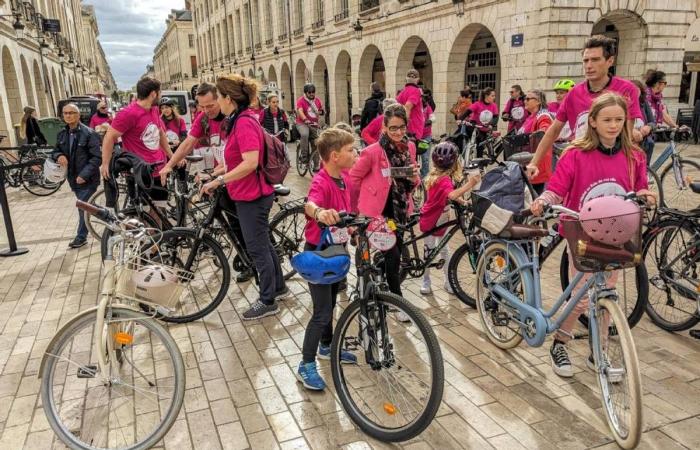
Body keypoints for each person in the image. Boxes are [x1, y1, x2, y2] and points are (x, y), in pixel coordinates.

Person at [529, 93, 655, 378]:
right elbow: (556, 188)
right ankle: (560, 342)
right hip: (582, 234)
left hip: (618, 234)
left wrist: (648, 195)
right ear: (593, 122)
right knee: (582, 296)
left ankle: (598, 353)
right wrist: (544, 201)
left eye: (618, 120)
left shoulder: (634, 156)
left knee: (607, 294)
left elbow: (641, 187)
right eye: (606, 120)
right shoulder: (576, 154)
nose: (613, 125)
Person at [201, 75, 289, 320]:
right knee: (265, 245)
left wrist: (219, 180)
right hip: (248, 193)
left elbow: (250, 163)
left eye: (218, 97)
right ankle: (279, 287)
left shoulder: (244, 123)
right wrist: (214, 172)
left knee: (258, 248)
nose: (217, 101)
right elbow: (236, 159)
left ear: (229, 98)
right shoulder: (238, 119)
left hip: (253, 195)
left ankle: (267, 300)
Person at [161, 82, 252, 283]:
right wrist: (170, 164)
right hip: (224, 176)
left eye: (210, 106)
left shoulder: (235, 118)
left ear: (220, 99)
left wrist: (215, 174)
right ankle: (247, 259)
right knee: (233, 222)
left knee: (248, 225)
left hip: (240, 176)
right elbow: (187, 144)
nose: (205, 111)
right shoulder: (203, 119)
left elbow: (246, 158)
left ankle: (258, 258)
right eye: (201, 107)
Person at [528, 35, 644, 178]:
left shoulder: (626, 90)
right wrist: (534, 162)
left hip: (614, 166)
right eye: (585, 60)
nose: (589, 65)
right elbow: (554, 130)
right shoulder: (573, 94)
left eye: (595, 60)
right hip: (581, 165)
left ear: (610, 61)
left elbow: (627, 132)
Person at [296, 128, 358, 391]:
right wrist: (319, 212)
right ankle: (305, 365)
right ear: (335, 156)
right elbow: (309, 204)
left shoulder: (343, 178)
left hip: (337, 252)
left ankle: (326, 346)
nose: (355, 154)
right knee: (321, 311)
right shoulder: (322, 181)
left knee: (330, 304)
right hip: (321, 254)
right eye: (350, 150)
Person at [349, 104, 418, 321]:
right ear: (384, 128)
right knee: (394, 254)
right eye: (393, 128)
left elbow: (413, 183)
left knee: (394, 254)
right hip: (377, 213)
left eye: (402, 127)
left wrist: (413, 177)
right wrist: (356, 209)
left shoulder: (410, 148)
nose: (398, 132)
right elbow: (352, 179)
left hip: (399, 210)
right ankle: (397, 302)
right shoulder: (372, 152)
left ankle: (382, 288)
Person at [101, 77, 174, 223]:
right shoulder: (128, 113)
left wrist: (172, 157)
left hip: (159, 169)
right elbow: (109, 138)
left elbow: (160, 134)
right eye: (160, 93)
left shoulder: (153, 110)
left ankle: (158, 243)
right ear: (153, 94)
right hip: (141, 173)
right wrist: (105, 163)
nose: (161, 96)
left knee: (159, 210)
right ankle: (151, 245)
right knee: (145, 215)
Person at [418, 142, 480, 294]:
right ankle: (427, 281)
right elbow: (451, 194)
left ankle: (445, 281)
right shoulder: (444, 179)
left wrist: (462, 201)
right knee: (431, 251)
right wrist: (470, 184)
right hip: (433, 218)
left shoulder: (440, 177)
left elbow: (447, 194)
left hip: (441, 217)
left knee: (439, 250)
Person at [51, 103, 102, 248]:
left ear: (78, 115)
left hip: (88, 179)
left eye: (71, 113)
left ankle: (81, 237)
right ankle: (112, 219)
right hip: (72, 179)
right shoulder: (62, 134)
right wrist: (59, 155)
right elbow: (54, 151)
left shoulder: (89, 133)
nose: (68, 115)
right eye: (65, 113)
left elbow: (96, 158)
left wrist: (84, 175)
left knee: (82, 208)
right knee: (89, 206)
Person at [519, 89, 554, 195]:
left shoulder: (543, 116)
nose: (525, 101)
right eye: (525, 98)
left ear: (538, 101)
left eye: (528, 99)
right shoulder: (530, 116)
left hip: (537, 165)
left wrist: (538, 134)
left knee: (534, 200)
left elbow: (544, 132)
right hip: (527, 162)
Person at [296, 83, 325, 163]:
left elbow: (320, 111)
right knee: (305, 134)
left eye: (313, 92)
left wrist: (321, 112)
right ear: (305, 93)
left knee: (316, 143)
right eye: (309, 92)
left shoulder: (317, 100)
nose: (312, 94)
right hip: (302, 123)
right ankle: (304, 157)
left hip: (314, 124)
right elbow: (300, 111)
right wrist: (305, 119)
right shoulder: (301, 100)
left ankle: (316, 165)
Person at [468, 87, 499, 157]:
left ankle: (488, 155)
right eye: (492, 96)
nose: (494, 97)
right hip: (477, 128)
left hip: (487, 128)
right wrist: (460, 119)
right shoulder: (477, 104)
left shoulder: (494, 105)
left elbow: (496, 117)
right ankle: (479, 163)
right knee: (480, 146)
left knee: (490, 149)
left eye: (494, 96)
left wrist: (492, 124)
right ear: (486, 96)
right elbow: (468, 111)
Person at [396, 69, 424, 141]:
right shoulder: (416, 91)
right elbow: (408, 107)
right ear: (417, 80)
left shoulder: (401, 93)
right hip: (413, 131)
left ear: (406, 79)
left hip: (404, 131)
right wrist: (405, 125)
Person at [632, 80, 656, 164]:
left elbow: (653, 122)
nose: (634, 93)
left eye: (636, 90)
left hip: (643, 141)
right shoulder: (623, 104)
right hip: (629, 141)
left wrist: (648, 127)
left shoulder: (643, 103)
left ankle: (645, 170)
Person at [420, 94, 434, 178]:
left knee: (425, 158)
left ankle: (424, 176)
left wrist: (429, 121)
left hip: (425, 137)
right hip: (415, 137)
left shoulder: (427, 108)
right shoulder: (414, 108)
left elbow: (432, 117)